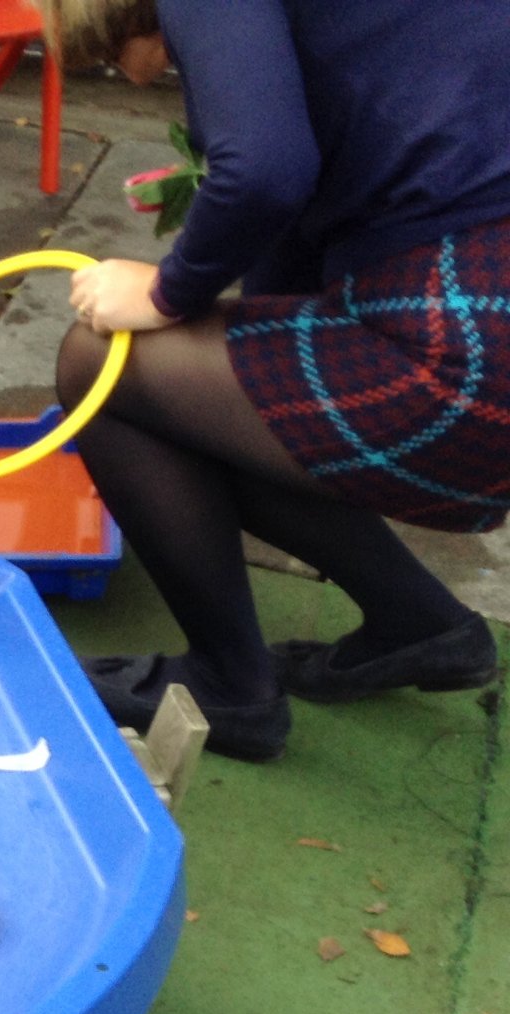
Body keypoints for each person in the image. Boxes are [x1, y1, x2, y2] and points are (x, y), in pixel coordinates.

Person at [37, 0, 508, 761]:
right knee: (216, 395)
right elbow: (288, 227)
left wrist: (165, 293)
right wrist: (216, 378)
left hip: (472, 342)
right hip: (478, 317)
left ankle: (228, 687)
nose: (130, 76)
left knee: (99, 361)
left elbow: (264, 171)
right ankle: (420, 625)